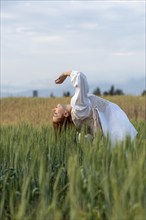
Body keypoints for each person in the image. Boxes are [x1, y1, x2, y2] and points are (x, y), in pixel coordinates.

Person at [52, 70, 138, 143]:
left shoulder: (78, 119)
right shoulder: (78, 108)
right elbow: (79, 77)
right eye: (55, 113)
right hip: (115, 122)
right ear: (66, 114)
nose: (54, 109)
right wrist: (65, 74)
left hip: (112, 127)